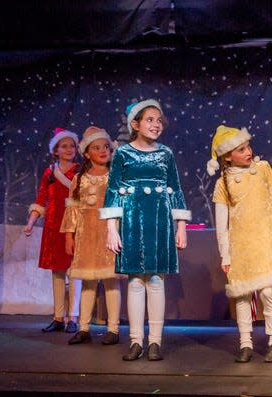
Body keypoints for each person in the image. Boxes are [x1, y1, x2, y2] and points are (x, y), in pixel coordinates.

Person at [207, 125, 272, 363]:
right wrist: (226, 255)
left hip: (264, 243)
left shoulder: (262, 169)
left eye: (248, 146)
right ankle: (245, 343)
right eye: (241, 150)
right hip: (240, 247)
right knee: (242, 296)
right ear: (227, 156)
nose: (248, 151)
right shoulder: (223, 183)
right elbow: (222, 225)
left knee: (267, 291)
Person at [100, 99, 190, 361]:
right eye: (150, 120)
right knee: (135, 281)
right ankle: (136, 341)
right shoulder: (123, 154)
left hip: (159, 221)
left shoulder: (166, 154)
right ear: (135, 124)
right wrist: (111, 229)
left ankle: (155, 342)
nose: (156, 125)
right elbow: (114, 190)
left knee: (155, 280)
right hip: (131, 221)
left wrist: (181, 226)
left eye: (159, 121)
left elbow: (175, 188)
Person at [61, 126, 123, 346]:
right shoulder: (80, 179)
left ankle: (113, 328)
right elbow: (72, 209)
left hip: (109, 232)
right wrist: (69, 236)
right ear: (87, 153)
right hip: (86, 234)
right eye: (96, 148)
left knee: (111, 281)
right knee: (88, 282)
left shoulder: (116, 176)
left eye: (106, 146)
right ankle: (84, 327)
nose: (103, 151)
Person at [24, 128, 82, 333]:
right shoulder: (49, 173)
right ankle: (58, 317)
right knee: (57, 272)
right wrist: (31, 223)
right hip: (53, 227)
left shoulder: (80, 172)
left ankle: (73, 317)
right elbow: (41, 199)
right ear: (55, 150)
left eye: (72, 145)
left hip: (74, 226)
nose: (69, 149)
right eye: (63, 146)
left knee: (74, 272)